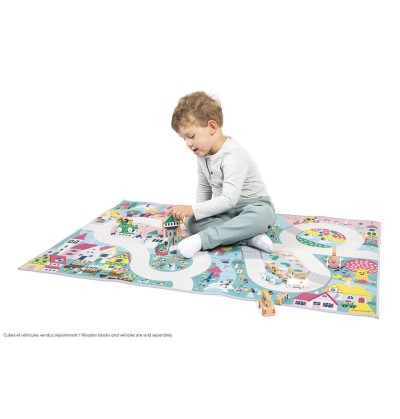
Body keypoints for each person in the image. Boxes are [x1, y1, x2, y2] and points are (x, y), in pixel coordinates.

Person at [167, 91, 276, 258]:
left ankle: (203, 239)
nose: (188, 143)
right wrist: (197, 212)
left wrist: (192, 209)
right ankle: (249, 237)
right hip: (225, 211)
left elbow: (229, 199)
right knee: (192, 222)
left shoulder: (232, 155)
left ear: (212, 127)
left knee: (263, 216)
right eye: (184, 139)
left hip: (253, 206)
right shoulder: (202, 154)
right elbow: (204, 187)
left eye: (191, 136)